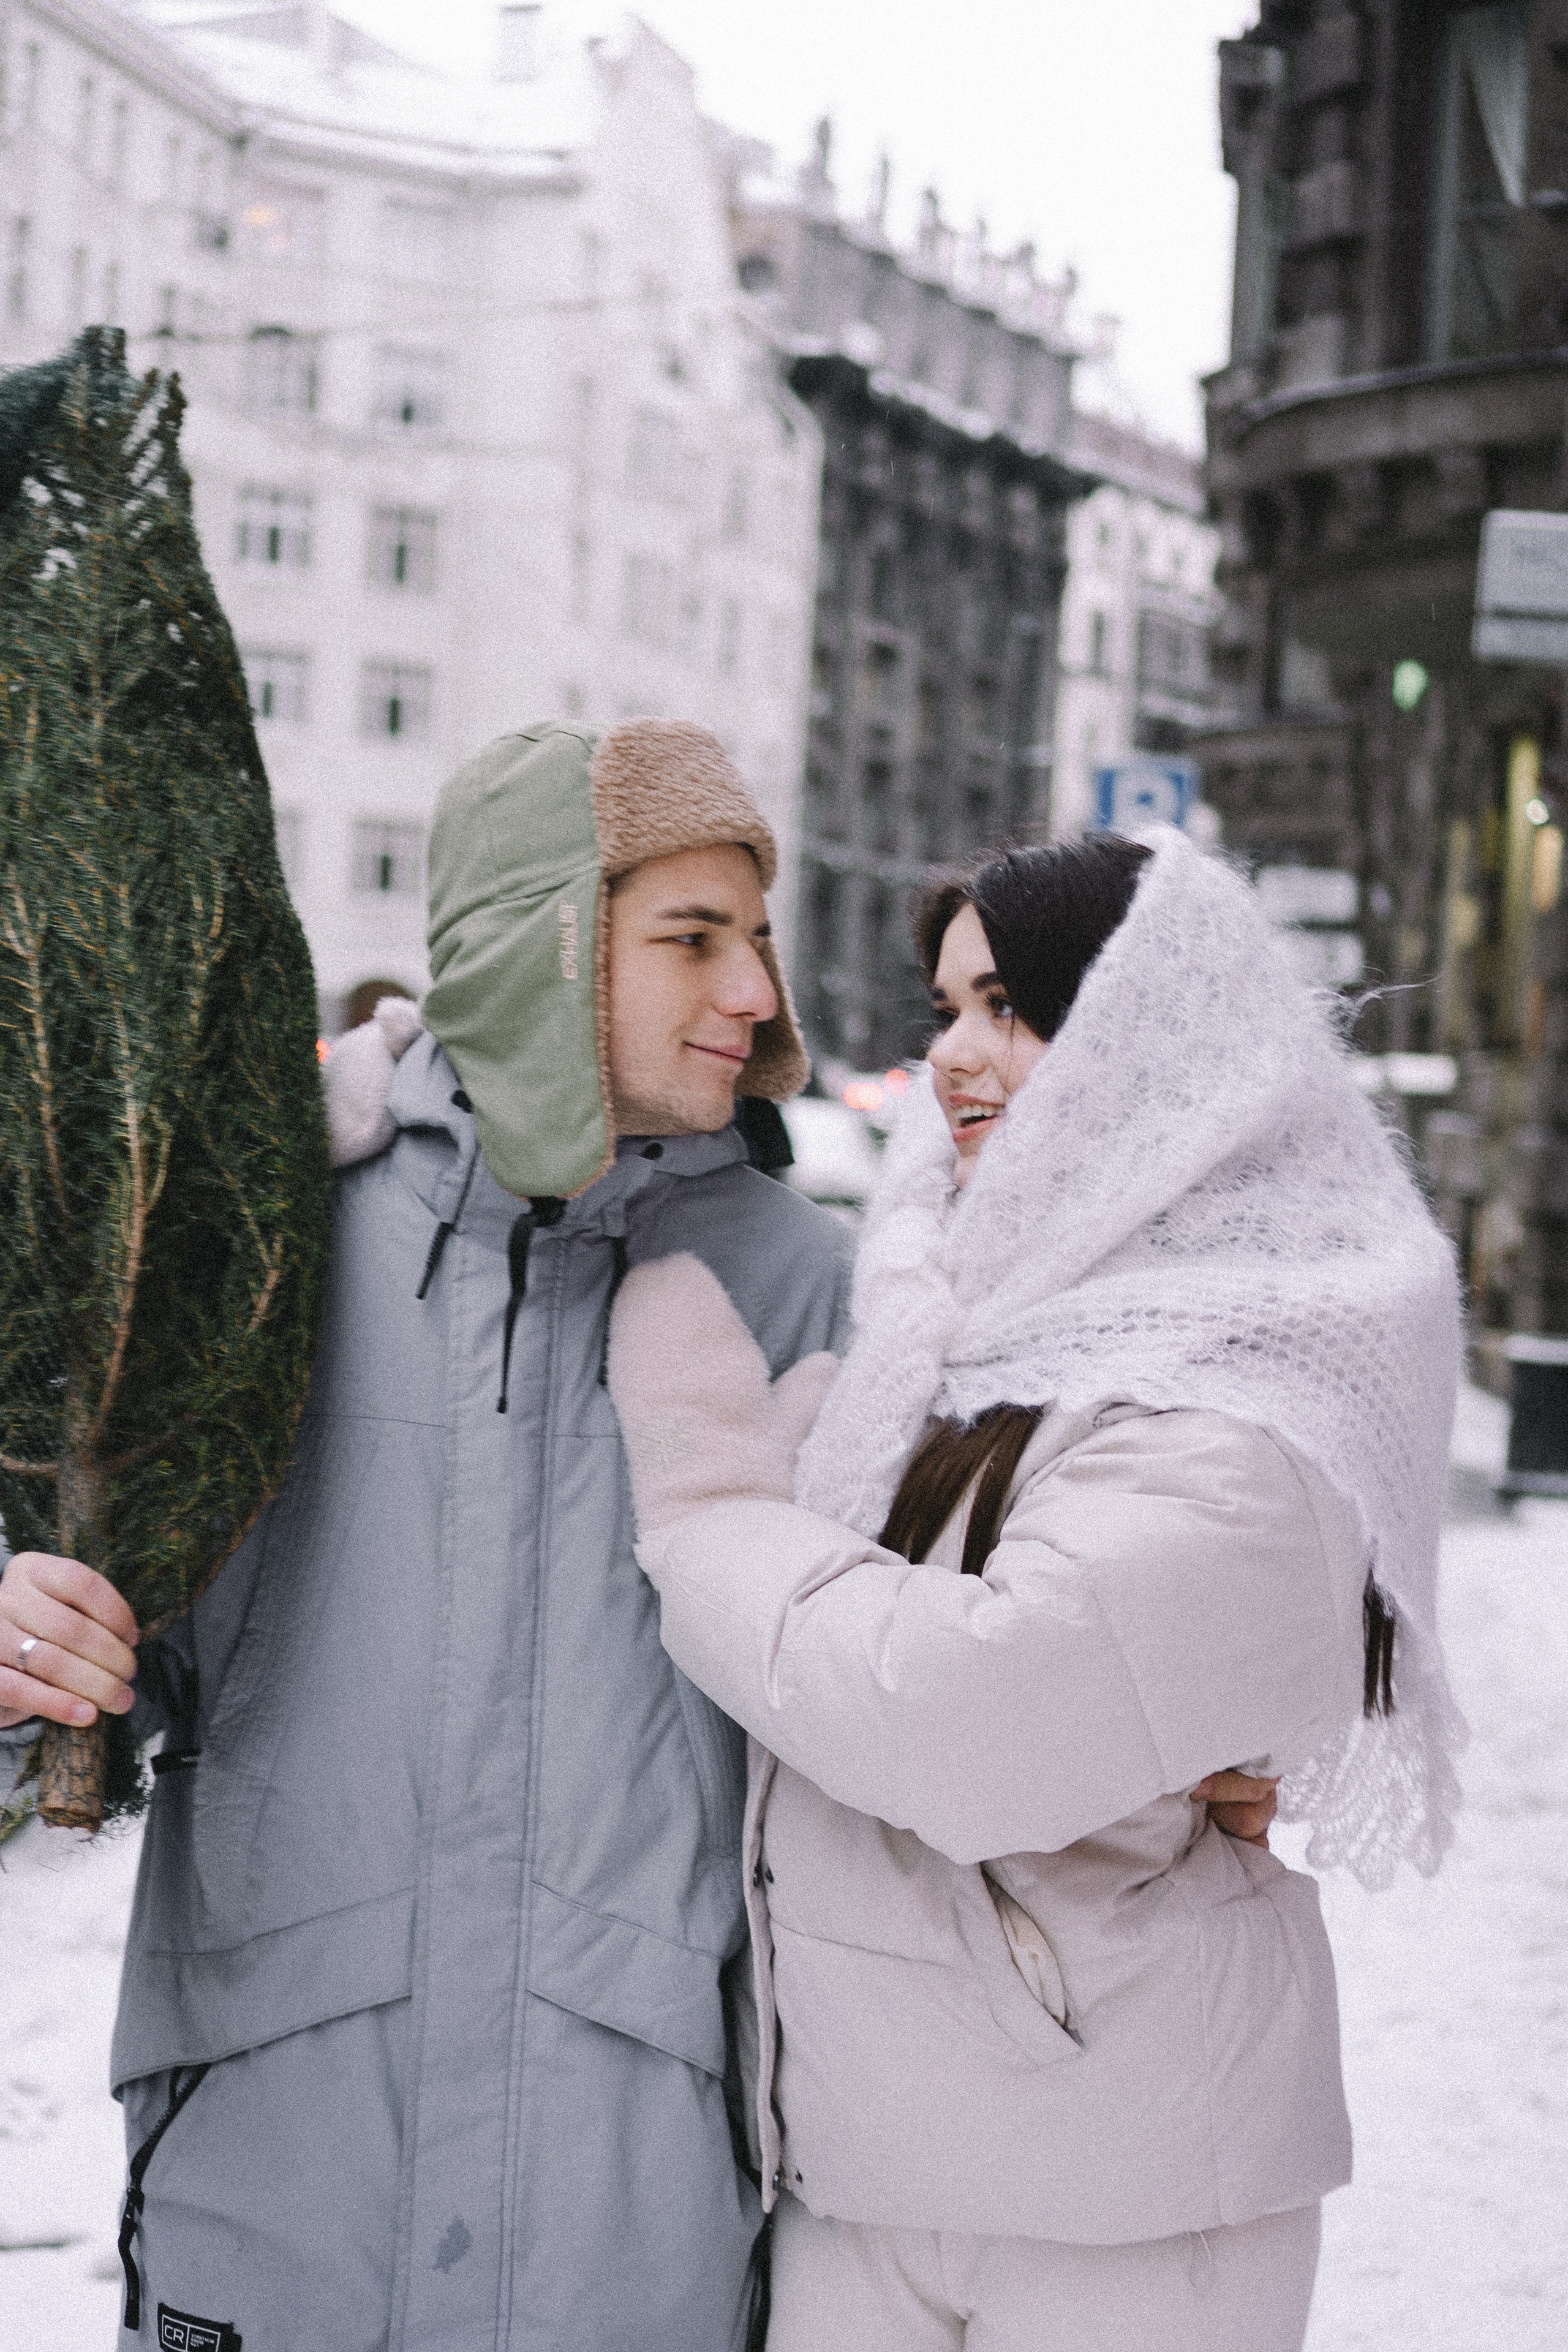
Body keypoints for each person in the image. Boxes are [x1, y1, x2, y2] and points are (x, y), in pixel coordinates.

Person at [0, 719, 853, 2352]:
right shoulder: (262, 1260)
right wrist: (24, 1640)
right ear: (537, 939)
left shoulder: (801, 1290)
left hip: (631, 2244)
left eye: (759, 939)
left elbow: (931, 1697)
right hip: (275, 2214)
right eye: (692, 939)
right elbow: (101, 1651)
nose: (757, 993)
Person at [605, 830, 1463, 2352]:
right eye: (942, 1011)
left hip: (1119, 2185)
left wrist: (711, 1511)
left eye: (1007, 1006)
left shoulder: (1255, 1372)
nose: (951, 1058)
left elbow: (968, 1722)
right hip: (875, 2150)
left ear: (1154, 1037)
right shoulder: (957, 1307)